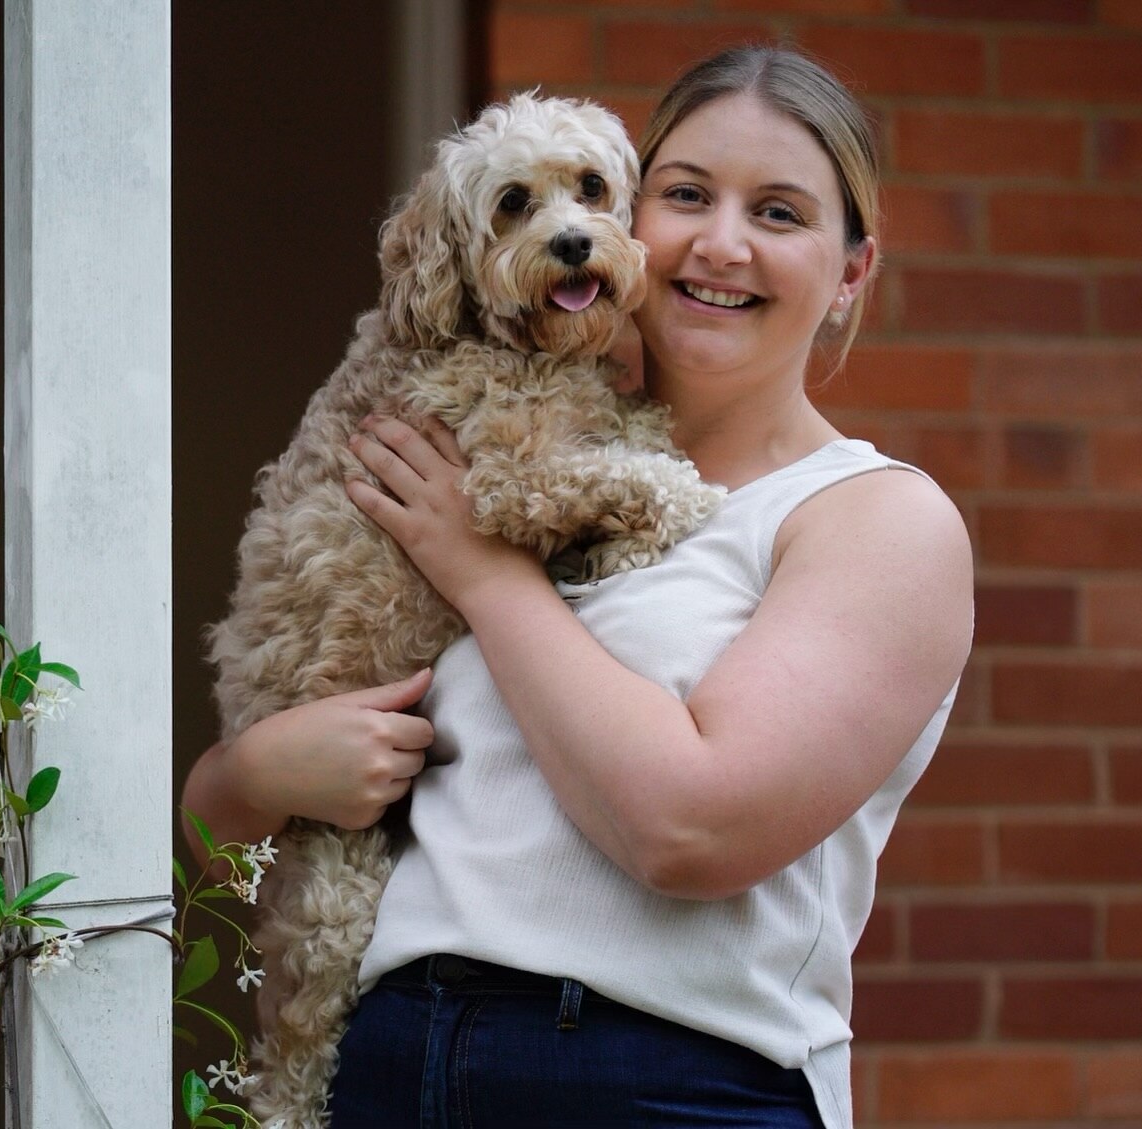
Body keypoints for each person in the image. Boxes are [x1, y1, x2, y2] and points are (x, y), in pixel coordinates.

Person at [182, 44, 973, 1129]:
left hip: (660, 1084)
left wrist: (481, 572)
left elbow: (688, 831)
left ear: (848, 273)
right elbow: (225, 852)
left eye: (780, 213)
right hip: (386, 1062)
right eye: (685, 194)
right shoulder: (463, 453)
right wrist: (246, 774)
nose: (721, 242)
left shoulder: (871, 519)